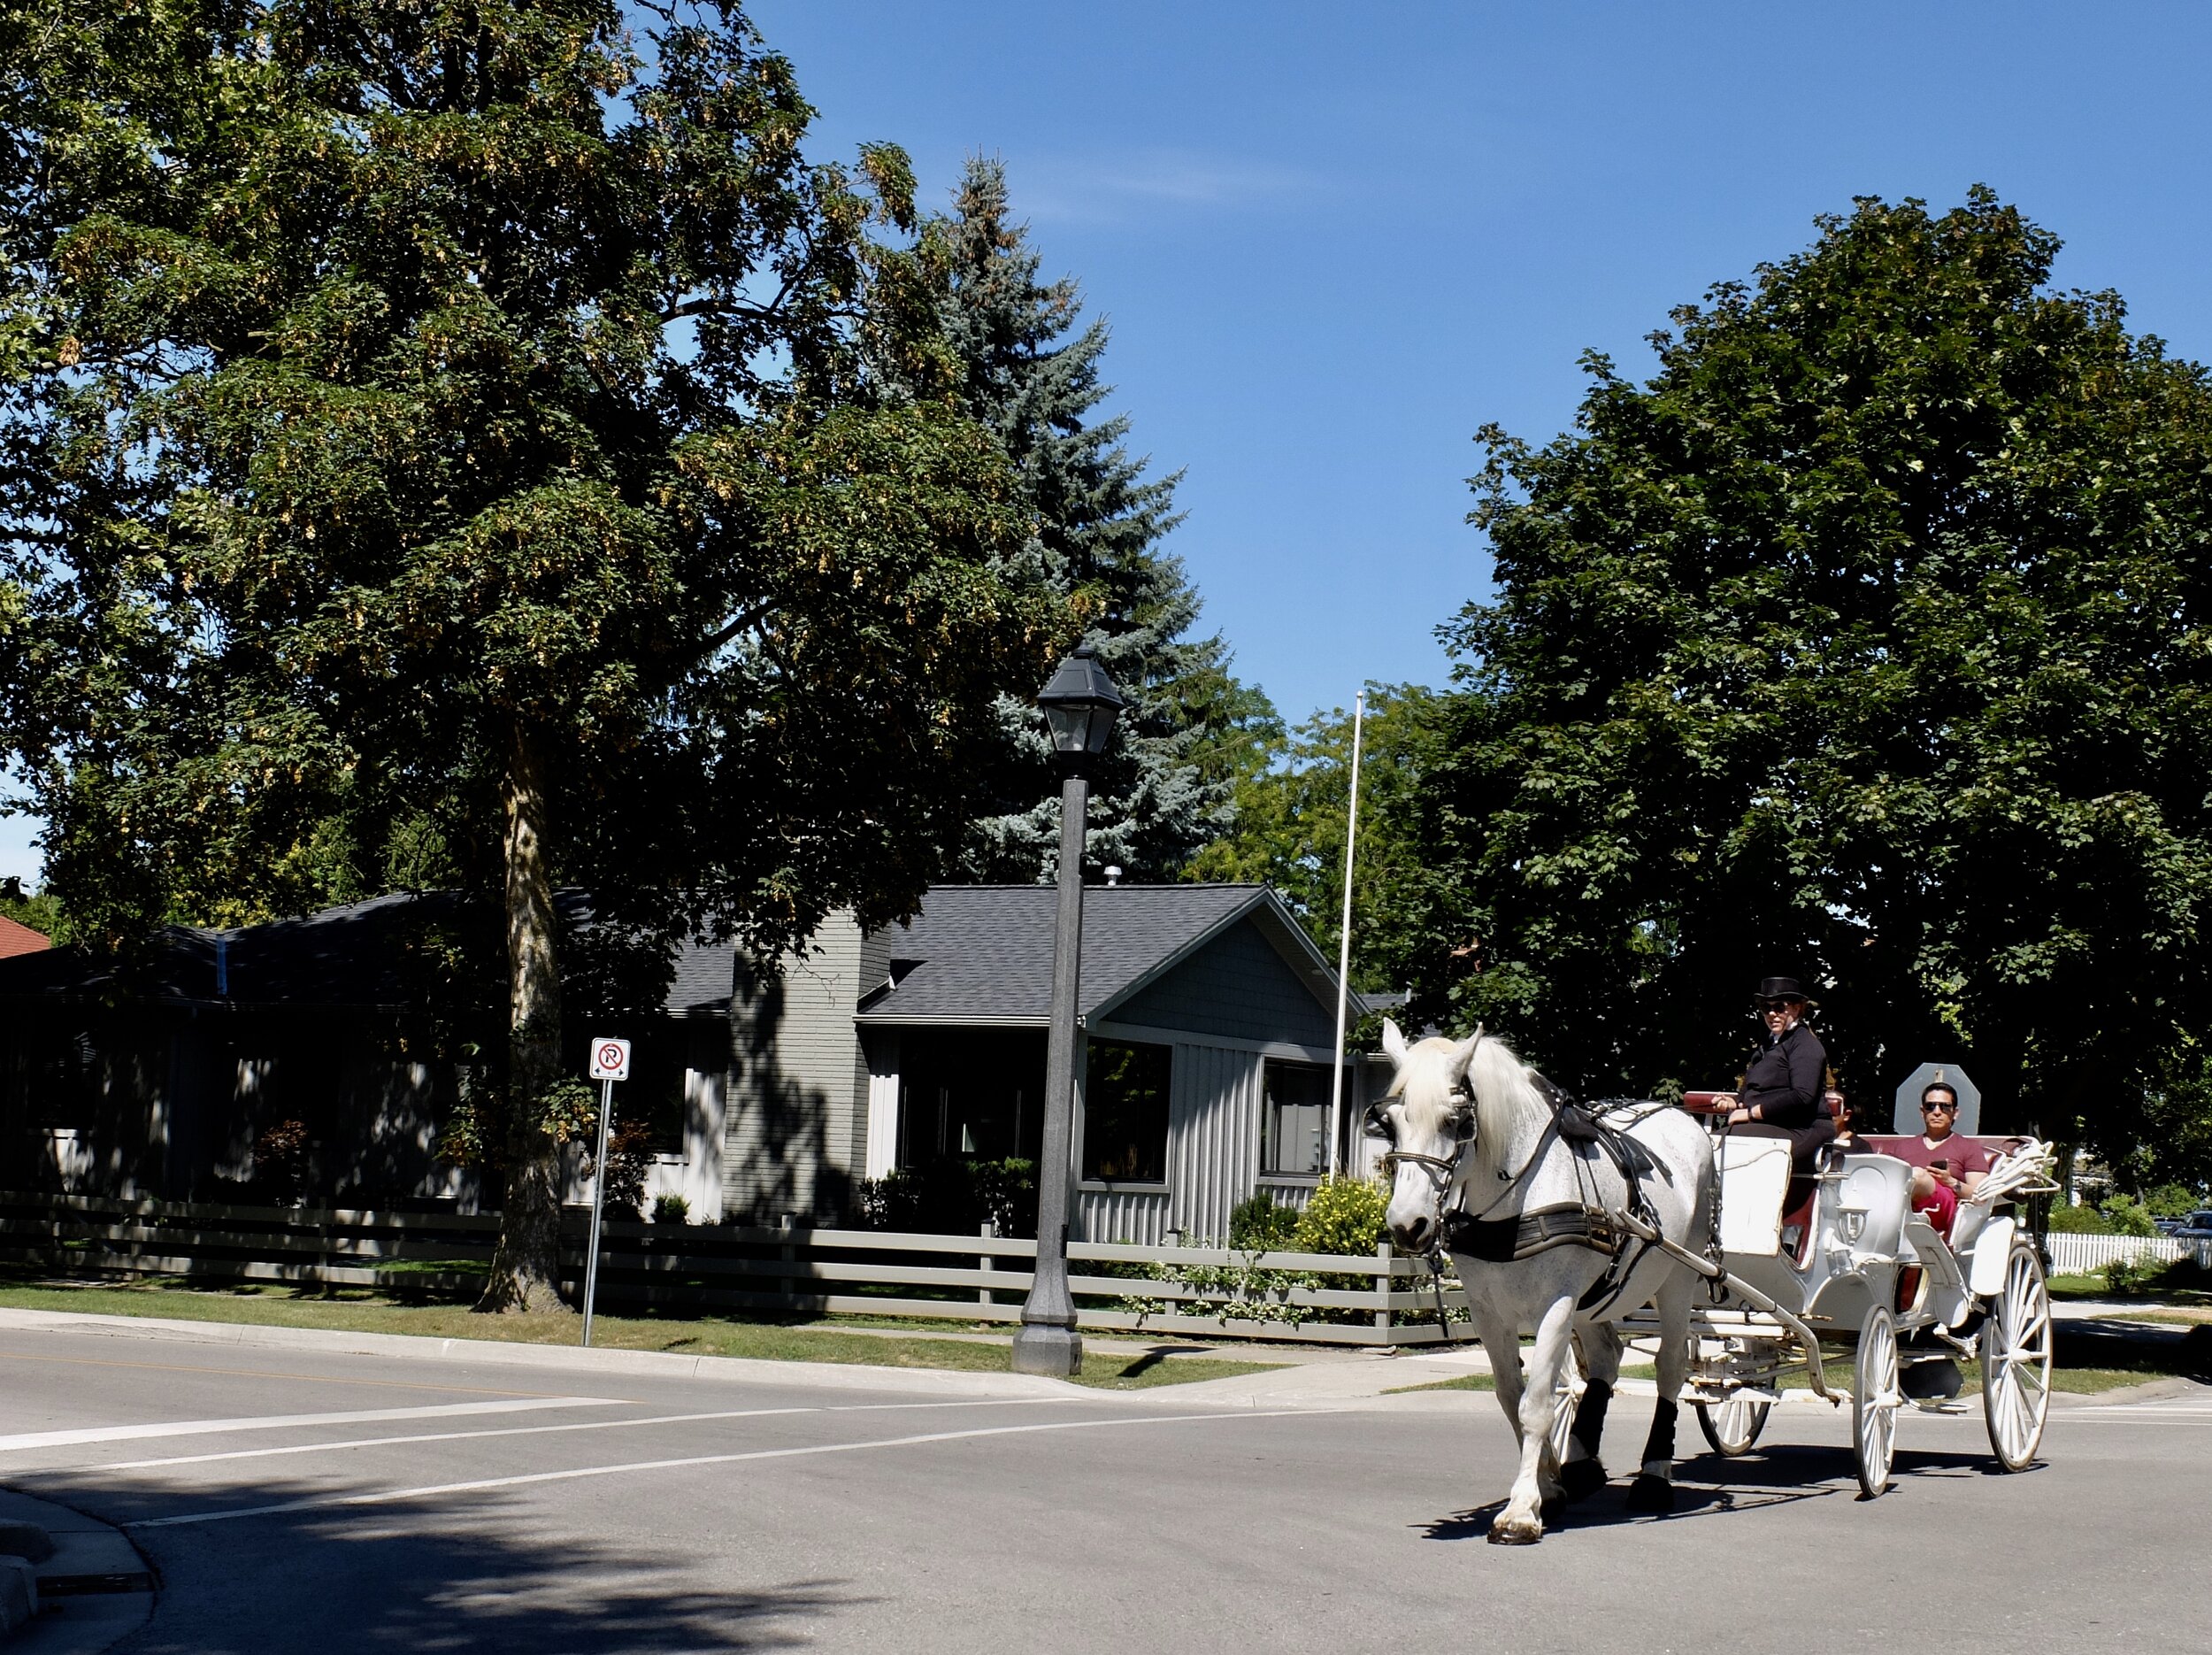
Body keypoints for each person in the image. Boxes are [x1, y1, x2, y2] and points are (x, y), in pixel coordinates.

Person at [1712, 976, 1833, 1165]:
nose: (1772, 1014)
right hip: (1771, 1125)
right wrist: (1733, 1103)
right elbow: (1749, 1094)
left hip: (1802, 1130)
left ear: (1796, 1008)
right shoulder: (1768, 1046)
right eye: (1765, 1008)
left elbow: (1802, 1095)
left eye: (1779, 1007)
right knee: (1712, 1142)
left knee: (1723, 1141)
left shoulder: (1805, 1045)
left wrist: (1752, 1113)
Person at [1883, 1079, 1989, 1237]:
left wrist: (1950, 1181)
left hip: (1947, 1212)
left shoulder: (1969, 1147)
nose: (1937, 1111)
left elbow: (1980, 1197)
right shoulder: (1902, 1147)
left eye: (1945, 1106)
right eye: (1930, 1106)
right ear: (1922, 1112)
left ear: (1955, 1113)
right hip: (1899, 1210)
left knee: (1917, 1175)